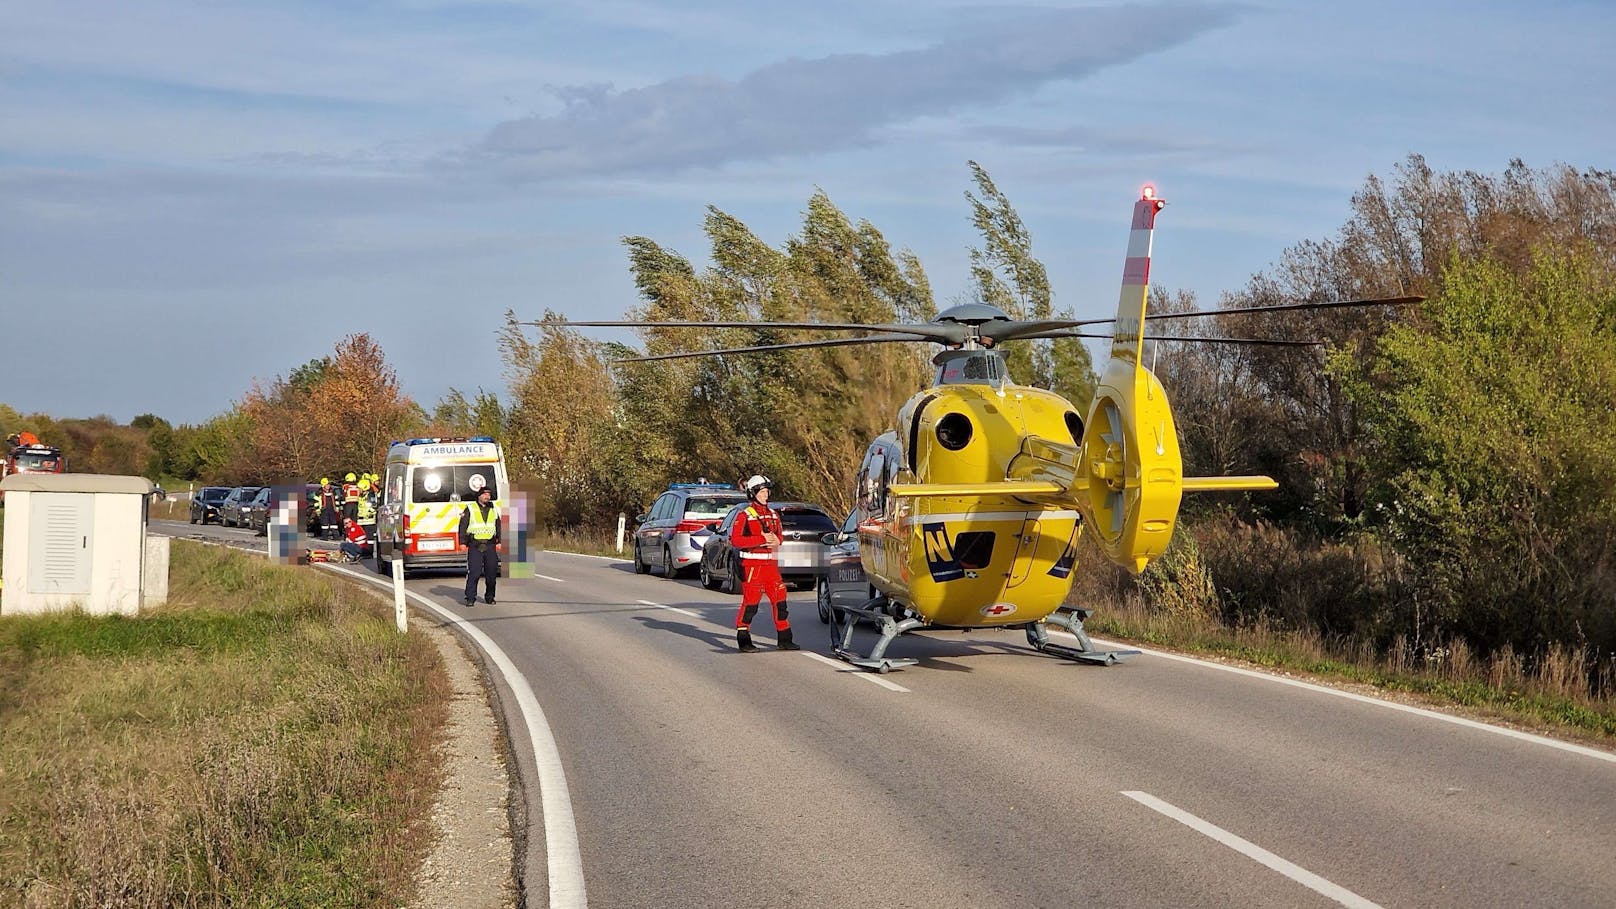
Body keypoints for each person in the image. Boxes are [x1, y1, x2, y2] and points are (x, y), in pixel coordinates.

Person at [729, 474, 799, 652]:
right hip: (753, 567)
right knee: (751, 603)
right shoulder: (744, 515)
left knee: (781, 602)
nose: (765, 495)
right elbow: (736, 540)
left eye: (767, 491)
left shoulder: (774, 515)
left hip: (772, 568)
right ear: (753, 493)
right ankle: (743, 638)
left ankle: (785, 638)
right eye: (761, 492)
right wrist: (760, 539)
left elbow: (779, 537)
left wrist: (777, 540)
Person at [458, 485, 501, 606]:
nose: (487, 497)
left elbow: (498, 526)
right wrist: (462, 542)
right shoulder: (470, 509)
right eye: (485, 494)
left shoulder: (493, 509)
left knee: (492, 573)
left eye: (489, 495)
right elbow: (463, 526)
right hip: (475, 545)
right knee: (475, 572)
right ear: (479, 496)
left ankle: (490, 596)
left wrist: (500, 541)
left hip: (490, 545)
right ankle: (470, 597)